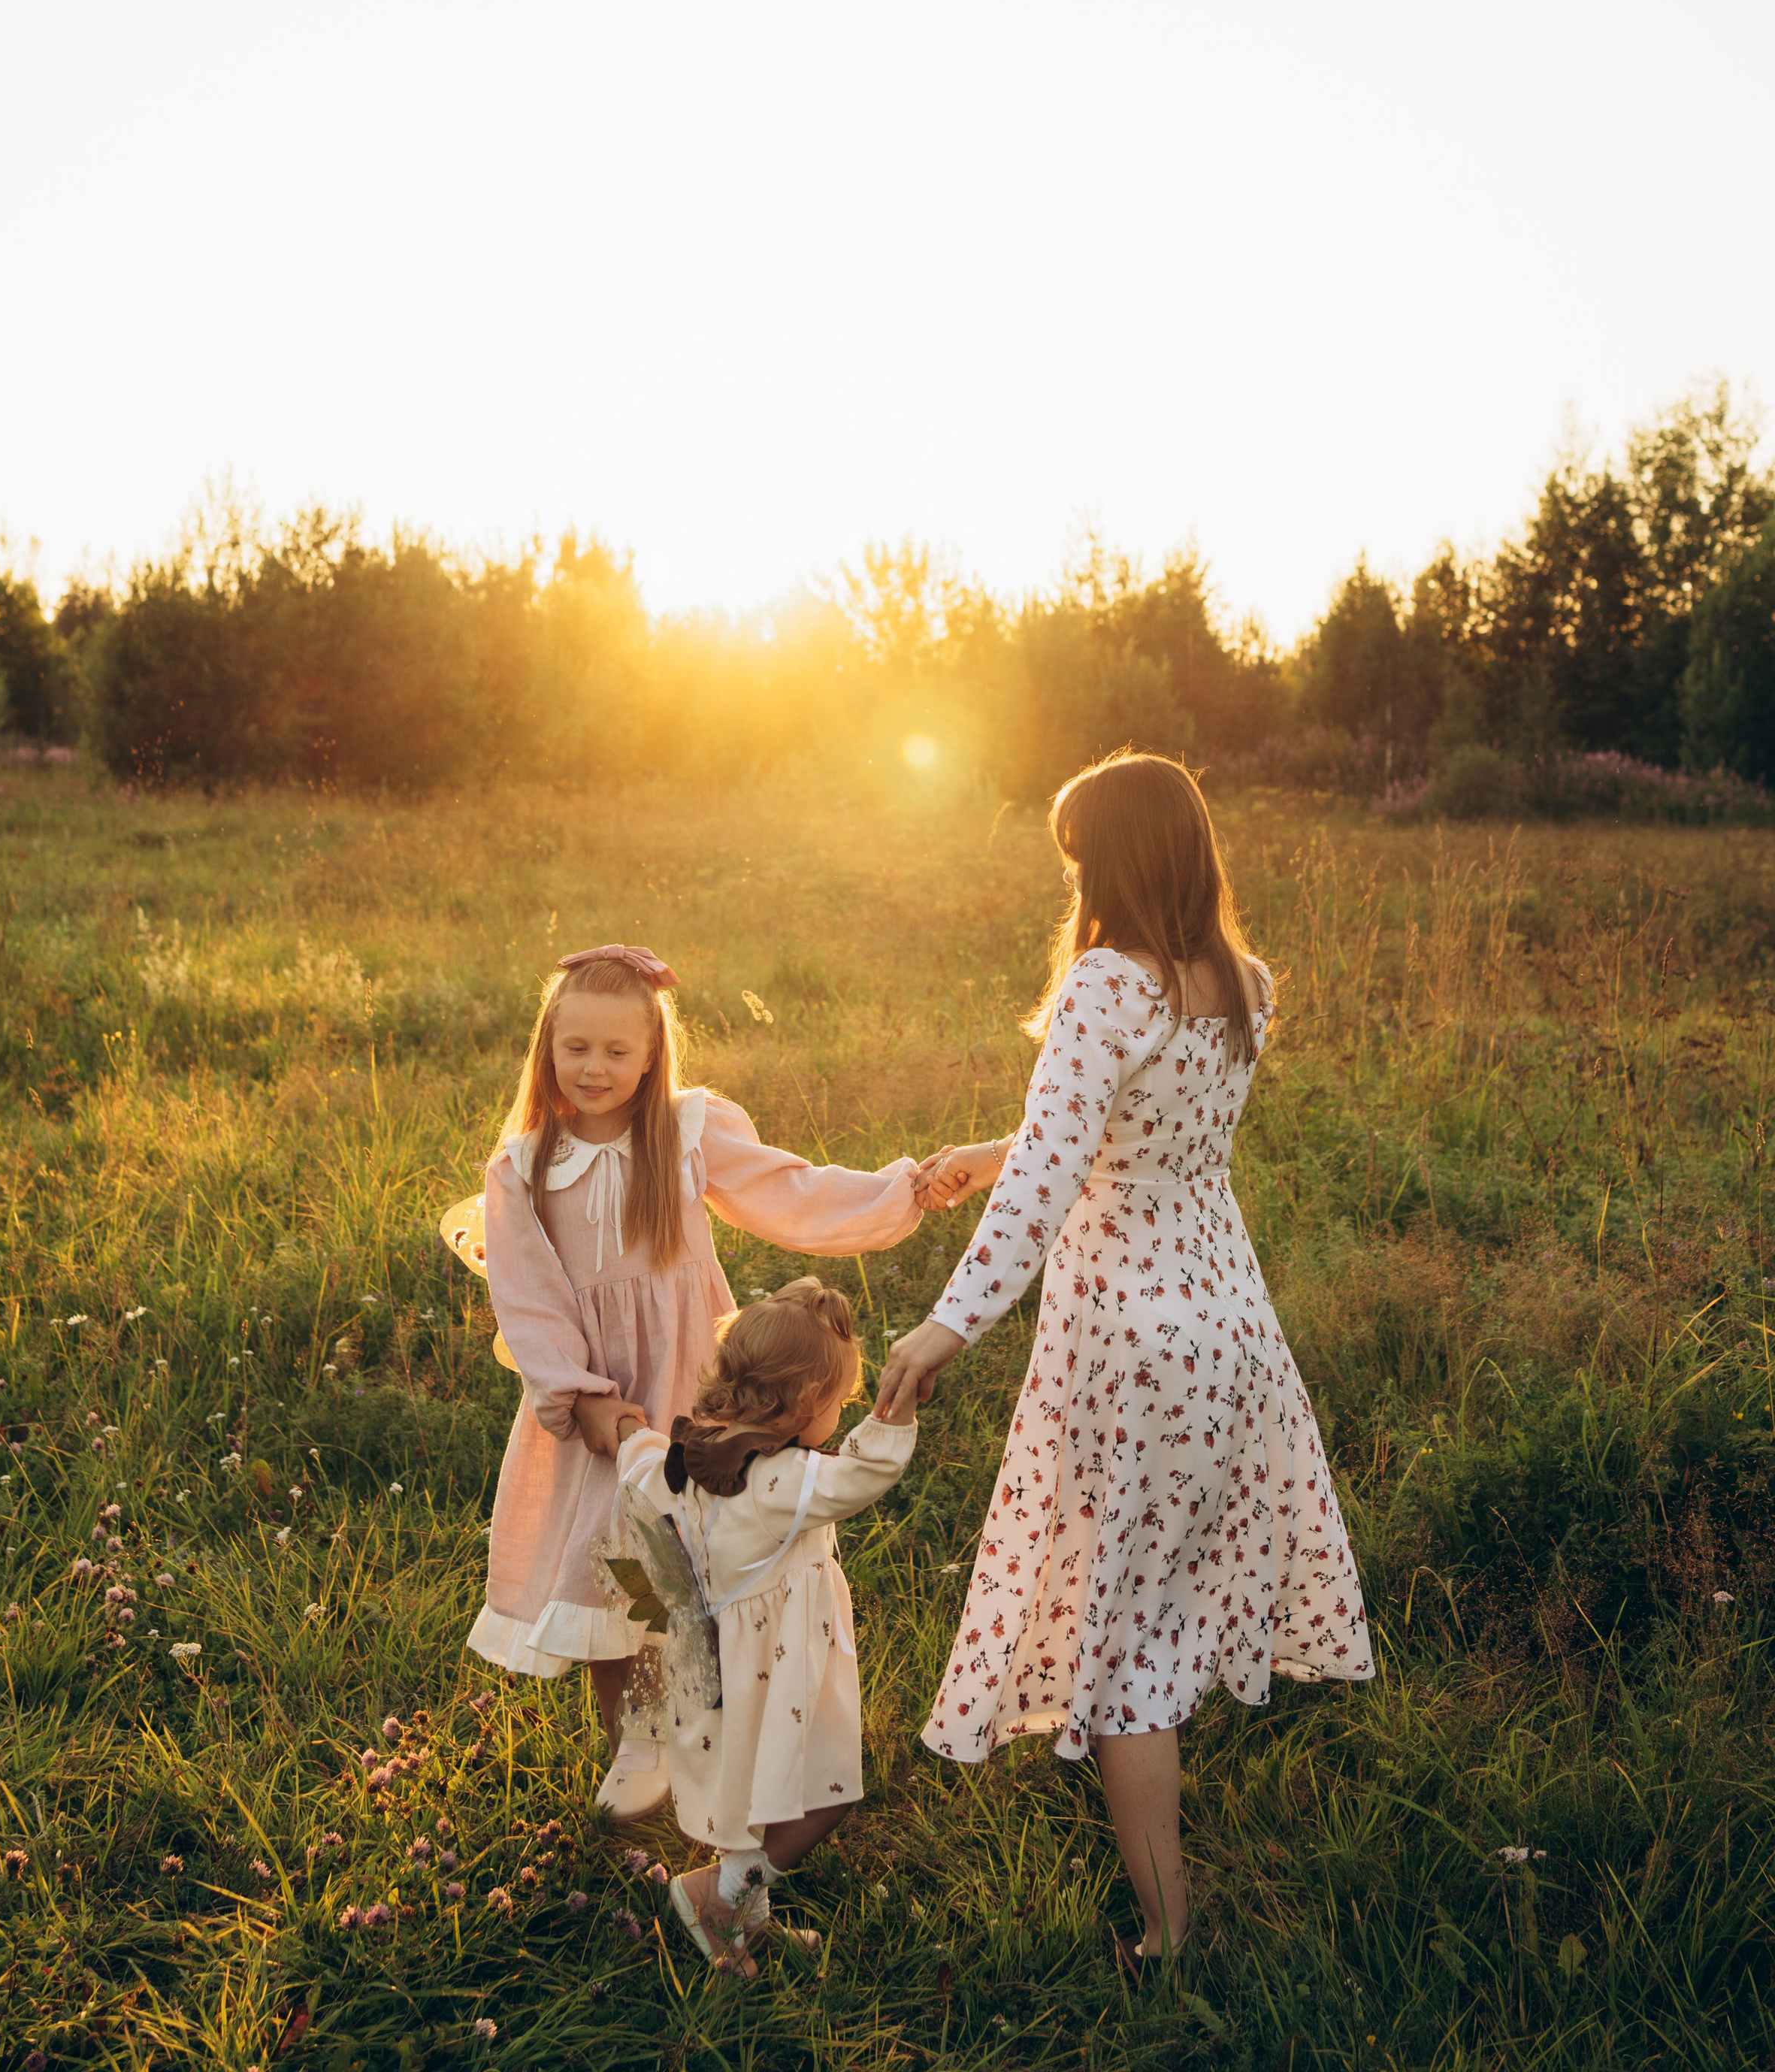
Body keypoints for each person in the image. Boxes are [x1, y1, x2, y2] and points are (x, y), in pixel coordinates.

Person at [874, 753, 1373, 1962]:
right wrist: (990, 1151)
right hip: (1229, 1331)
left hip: (1133, 1336)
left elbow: (1059, 1176)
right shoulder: (1237, 980)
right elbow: (1112, 1133)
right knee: (1154, 1590)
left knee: (1133, 1639)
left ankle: (1166, 1934)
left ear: (1113, 859)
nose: (1074, 879)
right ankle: (1140, 1829)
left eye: (1079, 857)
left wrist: (948, 1324)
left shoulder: (1106, 981)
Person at [468, 943, 931, 1821]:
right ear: (547, 1049)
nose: (595, 1068)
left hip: (690, 1388)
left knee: (694, 1560)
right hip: (605, 1402)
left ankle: (712, 1728)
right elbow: (527, 1297)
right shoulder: (522, 1166)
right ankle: (636, 1734)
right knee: (610, 1563)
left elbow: (791, 1191)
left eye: (616, 1050)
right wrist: (583, 1395)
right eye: (576, 1049)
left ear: (650, 1052)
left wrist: (897, 1190)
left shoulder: (686, 1130)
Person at [614, 1277, 918, 1975]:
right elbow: (869, 1472)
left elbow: (636, 1469)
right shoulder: (779, 1483)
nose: (838, 1417)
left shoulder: (687, 1455)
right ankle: (719, 1897)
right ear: (806, 1401)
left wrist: (628, 1432)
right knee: (824, 1794)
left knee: (760, 1789)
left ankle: (743, 1914)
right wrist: (896, 1408)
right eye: (838, 1403)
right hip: (785, 1669)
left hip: (725, 1668)